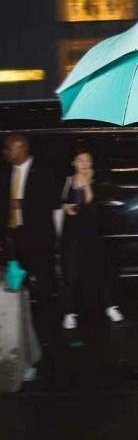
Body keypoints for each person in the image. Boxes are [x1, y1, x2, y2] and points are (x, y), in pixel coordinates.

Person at [0, 133, 59, 347]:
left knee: (43, 287)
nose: (5, 152)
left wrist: (21, 204)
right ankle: (18, 330)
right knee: (15, 286)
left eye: (8, 148)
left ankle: (47, 335)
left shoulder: (44, 171)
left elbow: (50, 202)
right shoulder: (5, 172)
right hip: (13, 239)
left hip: (39, 239)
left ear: (21, 148)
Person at [61, 148, 123, 329]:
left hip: (94, 233)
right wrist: (66, 207)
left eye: (88, 160)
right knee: (71, 274)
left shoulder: (98, 180)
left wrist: (87, 183)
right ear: (73, 162)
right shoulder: (67, 180)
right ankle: (69, 313)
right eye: (80, 160)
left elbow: (90, 201)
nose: (84, 163)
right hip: (72, 234)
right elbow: (64, 203)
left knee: (101, 271)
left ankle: (110, 307)